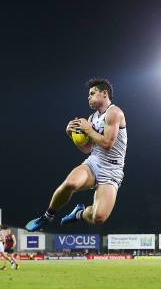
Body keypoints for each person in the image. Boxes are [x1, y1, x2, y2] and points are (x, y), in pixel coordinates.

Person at [25, 78, 127, 231]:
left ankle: (79, 213)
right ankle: (46, 217)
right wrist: (71, 135)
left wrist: (88, 130)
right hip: (94, 163)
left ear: (104, 93)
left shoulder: (114, 112)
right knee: (71, 183)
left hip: (112, 171)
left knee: (98, 218)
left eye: (92, 93)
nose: (89, 97)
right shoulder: (92, 118)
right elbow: (87, 149)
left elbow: (107, 143)